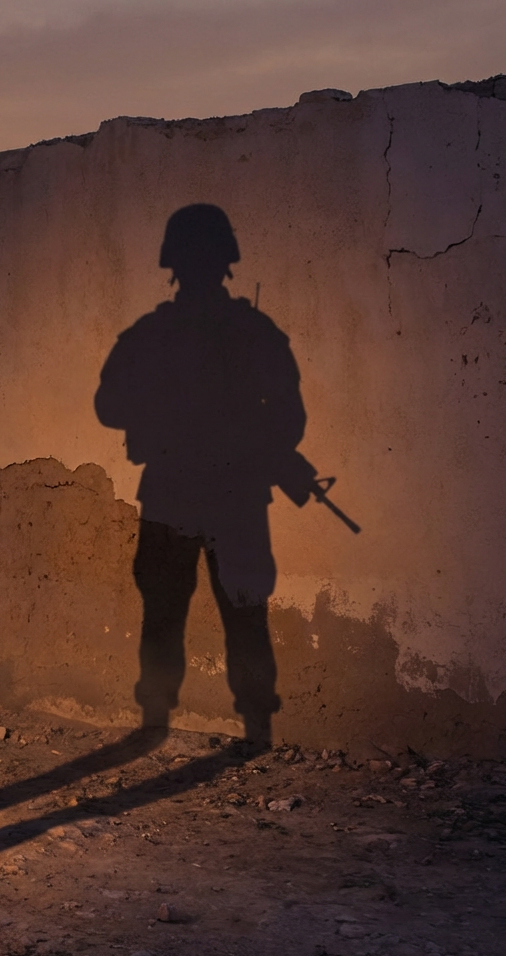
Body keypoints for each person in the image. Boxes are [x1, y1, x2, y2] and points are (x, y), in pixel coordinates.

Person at [95, 204, 308, 746]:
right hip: (229, 496)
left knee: (170, 613)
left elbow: (108, 405)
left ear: (173, 263)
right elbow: (290, 419)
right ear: (226, 261)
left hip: (175, 493)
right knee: (241, 613)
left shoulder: (150, 335)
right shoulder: (252, 331)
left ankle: (156, 724)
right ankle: (255, 725)